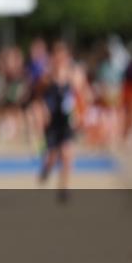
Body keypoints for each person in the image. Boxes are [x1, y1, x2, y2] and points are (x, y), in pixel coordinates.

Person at [36, 41, 85, 203]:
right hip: (52, 121)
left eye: (63, 57)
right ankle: (47, 168)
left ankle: (64, 188)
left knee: (67, 154)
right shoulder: (47, 76)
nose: (61, 60)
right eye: (58, 57)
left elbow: (81, 92)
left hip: (66, 121)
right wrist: (42, 112)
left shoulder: (73, 74)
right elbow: (39, 96)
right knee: (52, 155)